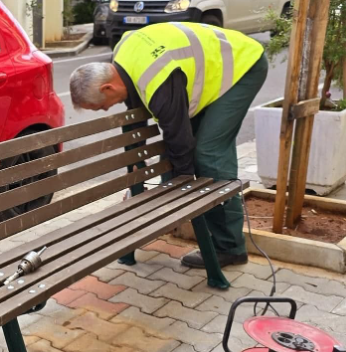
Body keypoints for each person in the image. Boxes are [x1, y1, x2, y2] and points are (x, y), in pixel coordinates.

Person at [69, 22, 268, 268]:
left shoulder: (157, 79)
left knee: (209, 154)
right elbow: (137, 107)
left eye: (101, 105)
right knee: (194, 154)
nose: (107, 109)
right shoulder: (122, 57)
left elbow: (180, 141)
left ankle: (229, 248)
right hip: (206, 70)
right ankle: (218, 234)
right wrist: (137, 165)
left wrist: (179, 194)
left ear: (107, 87)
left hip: (242, 67)